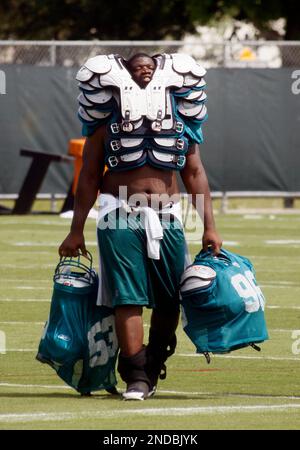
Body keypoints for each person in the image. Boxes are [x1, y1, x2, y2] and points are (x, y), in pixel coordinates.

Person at [59, 53, 222, 400]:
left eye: (149, 68)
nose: (144, 75)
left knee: (170, 300)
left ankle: (152, 364)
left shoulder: (181, 120)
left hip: (168, 215)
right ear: (126, 78)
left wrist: (209, 226)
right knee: (127, 297)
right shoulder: (107, 123)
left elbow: (194, 173)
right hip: (119, 211)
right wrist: (76, 229)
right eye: (137, 70)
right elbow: (89, 176)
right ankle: (135, 374)